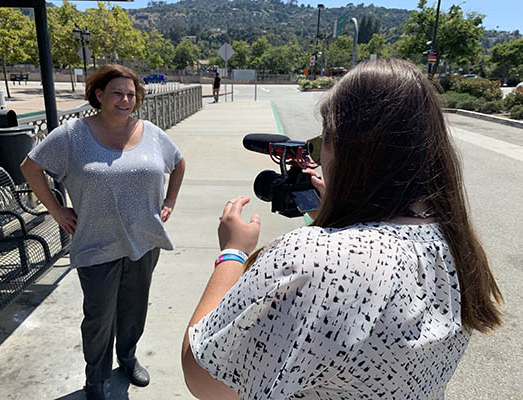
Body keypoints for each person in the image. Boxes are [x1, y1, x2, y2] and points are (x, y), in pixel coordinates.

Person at [181, 59, 503, 399]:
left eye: (322, 144)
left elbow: (204, 376)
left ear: (349, 151)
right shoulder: (456, 245)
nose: (318, 161)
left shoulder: (313, 261)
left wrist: (232, 253)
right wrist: (337, 216)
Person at [20, 64, 185, 400]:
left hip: (143, 239)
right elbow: (30, 167)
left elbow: (178, 162)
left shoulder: (151, 132)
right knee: (98, 317)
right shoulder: (71, 136)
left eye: (131, 94)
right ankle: (95, 377)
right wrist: (56, 209)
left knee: (134, 308)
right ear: (98, 95)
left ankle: (127, 358)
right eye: (117, 93)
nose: (125, 100)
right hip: (96, 242)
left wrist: (169, 201)